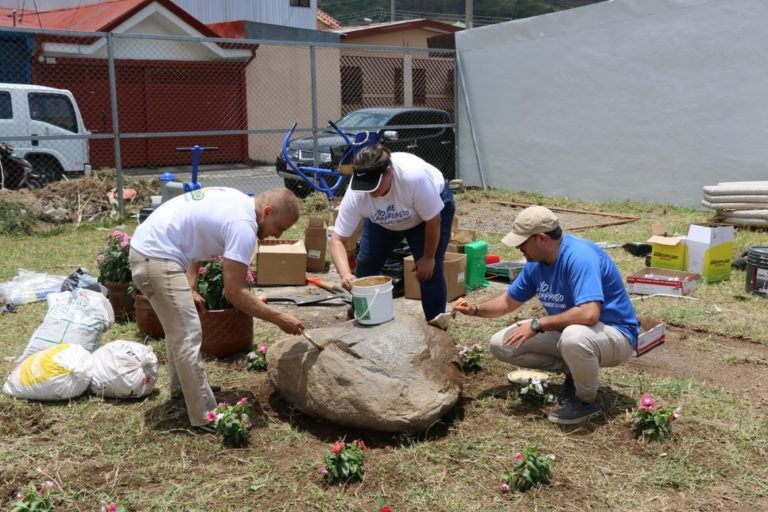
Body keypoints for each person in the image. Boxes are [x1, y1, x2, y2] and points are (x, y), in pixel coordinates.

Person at [129, 187, 304, 433]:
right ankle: (205, 415)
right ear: (266, 212)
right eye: (279, 228)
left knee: (179, 328)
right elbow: (235, 291)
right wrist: (279, 318)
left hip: (149, 251)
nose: (276, 236)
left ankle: (184, 391)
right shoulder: (243, 225)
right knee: (187, 333)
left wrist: (190, 285)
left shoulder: (238, 201)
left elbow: (195, 234)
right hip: (155, 257)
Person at [452, 205, 639, 424]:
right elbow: (506, 302)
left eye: (522, 242)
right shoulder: (536, 263)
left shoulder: (579, 257)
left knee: (574, 337)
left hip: (615, 335)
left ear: (541, 238)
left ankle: (586, 402)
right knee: (501, 343)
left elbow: (589, 314)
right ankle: (575, 370)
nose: (519, 248)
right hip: (575, 333)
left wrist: (538, 324)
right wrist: (474, 309)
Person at [329, 144, 455, 324]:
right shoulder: (357, 193)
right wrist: (345, 275)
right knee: (365, 264)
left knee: (429, 272)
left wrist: (428, 257)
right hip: (382, 221)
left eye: (373, 186)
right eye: (364, 186)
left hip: (426, 218)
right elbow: (337, 240)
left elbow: (433, 220)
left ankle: (436, 326)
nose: (370, 192)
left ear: (388, 172)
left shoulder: (413, 178)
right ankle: (361, 315)